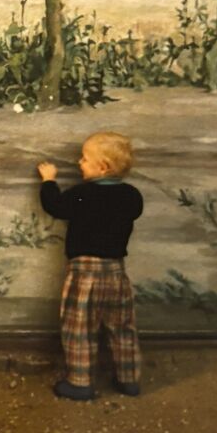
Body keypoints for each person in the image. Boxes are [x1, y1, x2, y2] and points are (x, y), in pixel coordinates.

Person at [37, 131, 143, 401]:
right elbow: (133, 211)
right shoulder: (132, 196)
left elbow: (56, 207)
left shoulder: (82, 194)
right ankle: (129, 378)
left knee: (79, 327)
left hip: (84, 273)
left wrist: (49, 180)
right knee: (122, 327)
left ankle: (81, 382)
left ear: (102, 167)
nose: (78, 163)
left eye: (84, 159)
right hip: (117, 274)